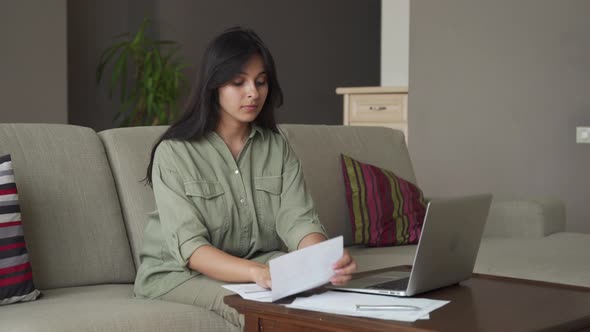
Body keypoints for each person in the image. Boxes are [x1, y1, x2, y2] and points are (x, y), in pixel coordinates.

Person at [133, 27, 357, 331]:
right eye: (239, 82)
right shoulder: (175, 153)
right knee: (259, 312)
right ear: (213, 87)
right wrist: (257, 272)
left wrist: (323, 261)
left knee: (330, 299)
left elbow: (298, 220)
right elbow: (192, 249)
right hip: (179, 274)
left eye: (261, 81)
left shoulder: (277, 147)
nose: (253, 92)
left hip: (258, 260)